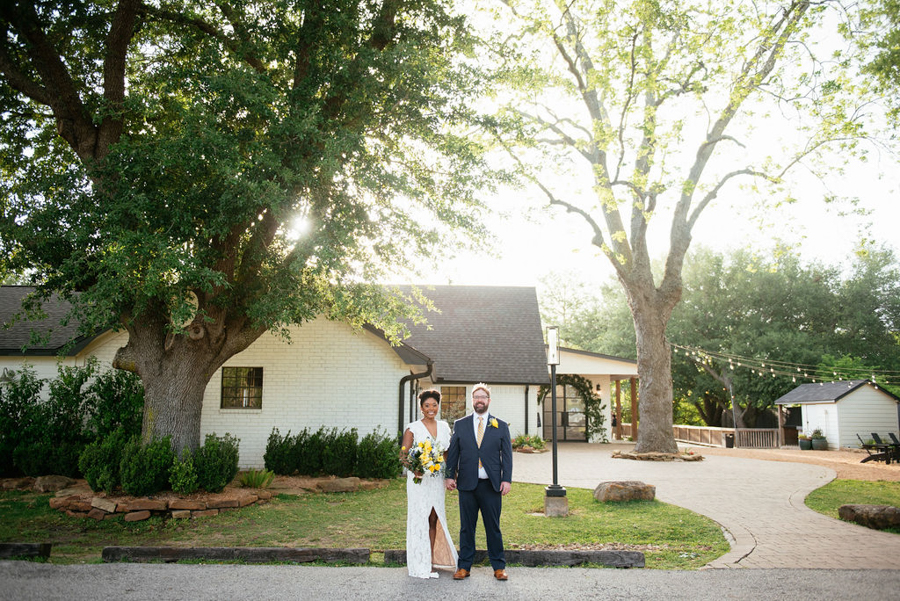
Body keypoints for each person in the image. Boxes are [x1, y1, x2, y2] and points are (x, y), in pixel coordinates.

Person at [444, 383, 512, 581]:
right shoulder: (460, 424)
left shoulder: (500, 425)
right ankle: (464, 566)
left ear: (489, 401)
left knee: (493, 527)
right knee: (467, 527)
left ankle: (499, 567)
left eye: (483, 397)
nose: (479, 400)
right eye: (476, 397)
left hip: (491, 485)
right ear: (472, 401)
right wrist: (450, 475)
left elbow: (507, 456)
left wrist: (506, 479)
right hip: (467, 485)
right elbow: (453, 454)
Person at [400, 389, 458, 578]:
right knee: (421, 518)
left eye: (434, 405)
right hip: (419, 481)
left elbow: (447, 453)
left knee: (434, 517)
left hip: (436, 479)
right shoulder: (413, 428)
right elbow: (403, 454)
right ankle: (420, 561)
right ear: (421, 408)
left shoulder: (443, 427)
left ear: (438, 406)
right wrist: (415, 467)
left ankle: (431, 560)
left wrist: (450, 475)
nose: (431, 409)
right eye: (427, 406)